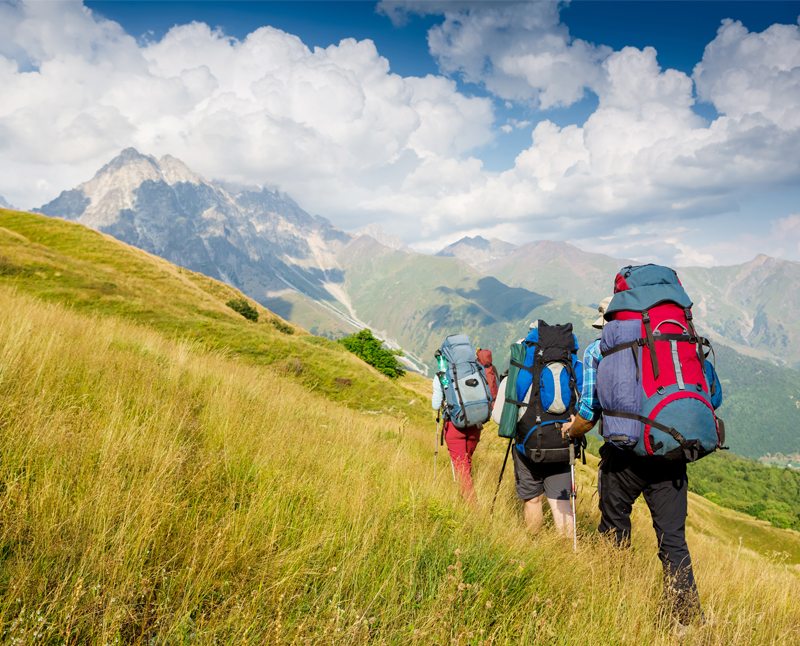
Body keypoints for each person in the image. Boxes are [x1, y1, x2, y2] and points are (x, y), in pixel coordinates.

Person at [561, 296, 703, 627]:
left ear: (607, 322)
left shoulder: (598, 351)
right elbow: (712, 396)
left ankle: (616, 604)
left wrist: (572, 430)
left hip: (622, 457)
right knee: (672, 539)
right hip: (669, 455)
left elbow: (587, 412)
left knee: (614, 527)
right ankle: (683, 621)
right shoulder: (671, 343)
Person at [491, 322, 575, 537]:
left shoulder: (520, 371)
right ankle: (567, 555)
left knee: (533, 499)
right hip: (564, 444)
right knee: (561, 503)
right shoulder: (572, 365)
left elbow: (500, 417)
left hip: (527, 448)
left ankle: (534, 544)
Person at [432, 376, 481, 502]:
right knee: (467, 462)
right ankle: (465, 496)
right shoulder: (473, 366)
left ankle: (473, 509)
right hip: (475, 422)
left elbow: (435, 405)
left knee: (460, 468)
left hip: (454, 425)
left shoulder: (442, 373)